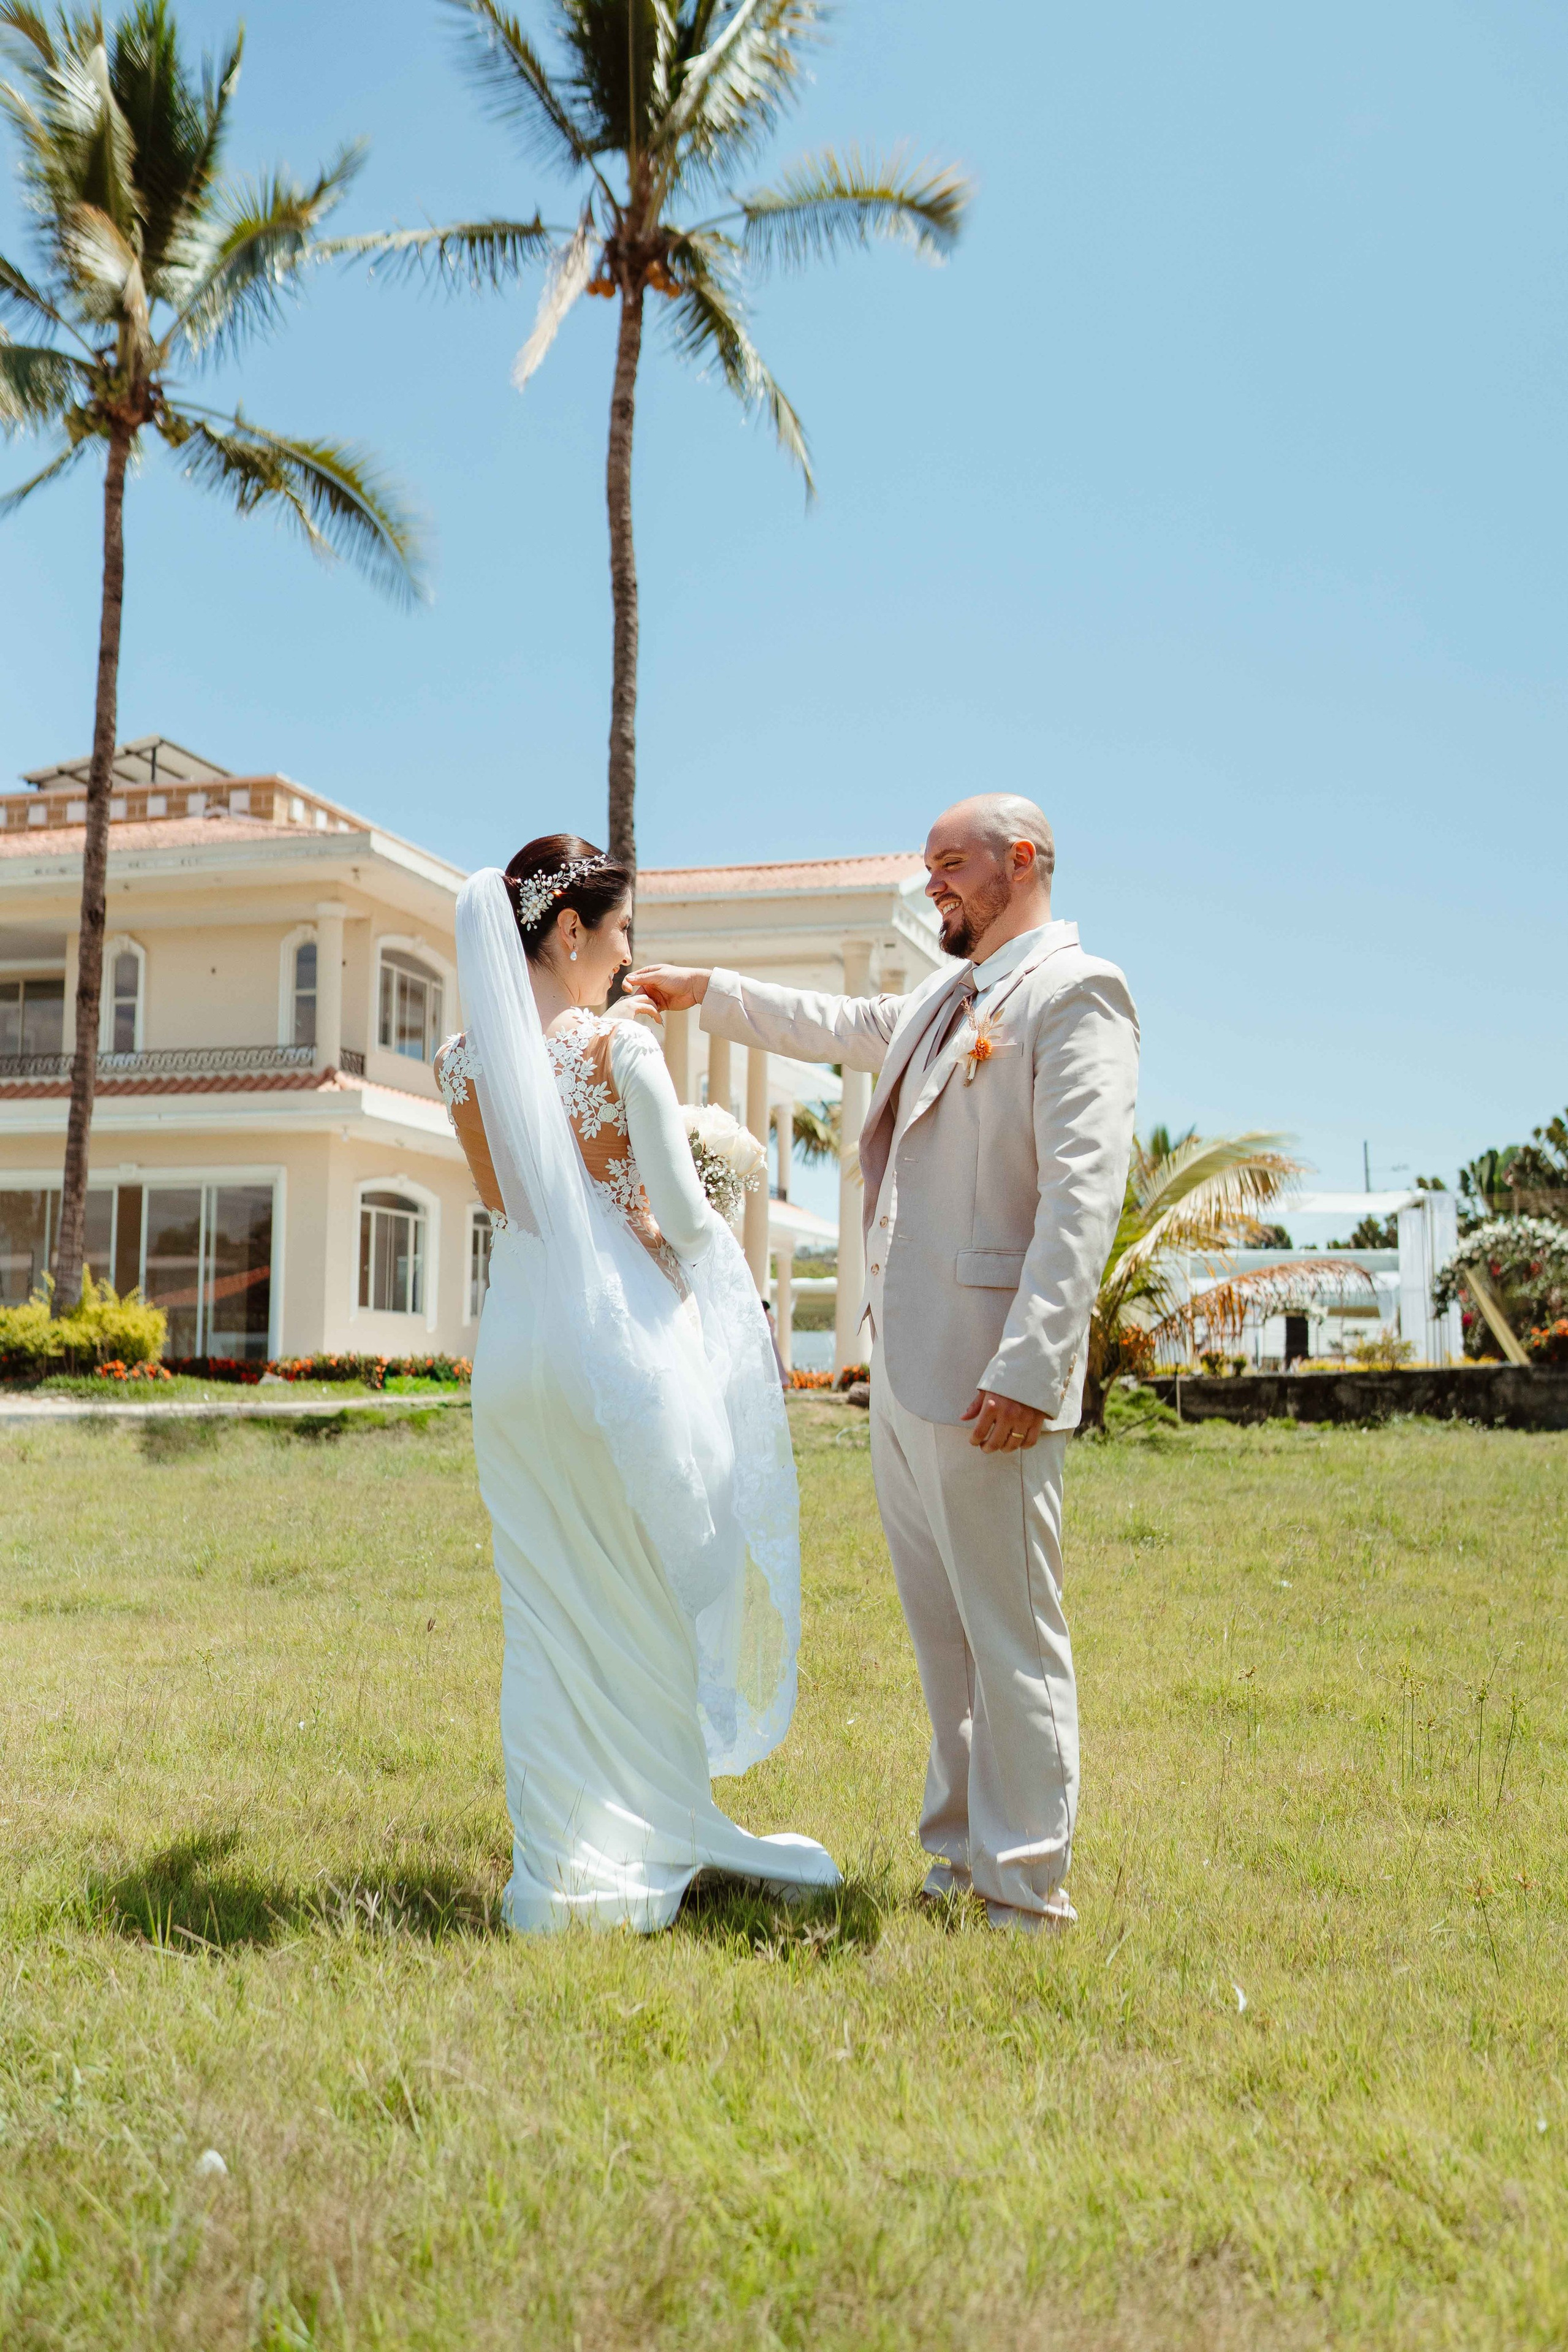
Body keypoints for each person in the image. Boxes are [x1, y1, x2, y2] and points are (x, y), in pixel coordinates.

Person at [632, 794, 1138, 1932]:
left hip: (992, 1376)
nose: (933, 889)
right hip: (906, 1380)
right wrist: (705, 992)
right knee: (944, 1643)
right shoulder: (940, 1000)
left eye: (951, 866)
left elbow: (1080, 1202)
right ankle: (957, 1863)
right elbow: (841, 1021)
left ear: (1022, 862)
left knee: (1012, 1638)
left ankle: (1025, 1894)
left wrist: (1032, 1363)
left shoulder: (1077, 992)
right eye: (926, 869)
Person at [440, 836, 839, 1932]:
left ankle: (558, 1858)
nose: (626, 961)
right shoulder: (621, 1046)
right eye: (622, 936)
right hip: (616, 1349)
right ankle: (662, 1821)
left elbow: (520, 1201)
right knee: (664, 1581)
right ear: (570, 931)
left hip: (516, 1352)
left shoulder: (459, 1063)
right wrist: (691, 1231)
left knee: (549, 1608)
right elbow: (680, 1214)